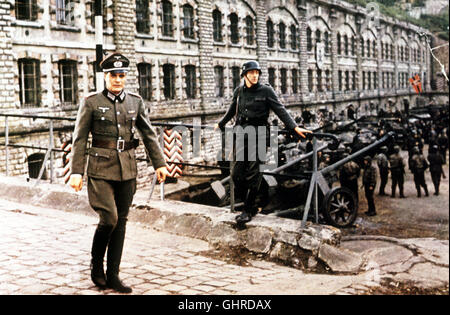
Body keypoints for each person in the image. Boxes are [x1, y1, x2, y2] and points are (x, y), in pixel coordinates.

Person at [69, 52, 168, 293]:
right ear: (105, 77)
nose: (117, 80)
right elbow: (80, 139)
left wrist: (160, 163)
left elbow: (148, 134)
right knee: (109, 219)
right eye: (113, 75)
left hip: (127, 170)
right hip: (100, 169)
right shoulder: (91, 102)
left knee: (121, 223)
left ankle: (113, 275)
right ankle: (96, 265)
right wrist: (76, 171)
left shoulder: (135, 102)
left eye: (122, 75)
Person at [214, 60, 311, 225]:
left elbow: (280, 110)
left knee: (254, 174)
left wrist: (294, 127)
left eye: (257, 73)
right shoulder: (239, 91)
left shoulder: (266, 90)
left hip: (259, 135)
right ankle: (250, 204)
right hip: (241, 133)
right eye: (251, 73)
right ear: (244, 75)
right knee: (236, 174)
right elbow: (232, 110)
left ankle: (248, 209)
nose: (255, 75)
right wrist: (221, 123)